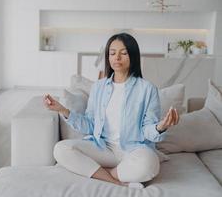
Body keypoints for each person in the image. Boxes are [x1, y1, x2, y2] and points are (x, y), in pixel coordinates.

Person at [43, 33, 179, 189]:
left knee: (149, 164)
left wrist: (161, 126)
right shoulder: (98, 87)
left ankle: (101, 173)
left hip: (133, 150)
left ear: (133, 55)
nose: (117, 58)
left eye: (123, 53)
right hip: (103, 148)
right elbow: (90, 125)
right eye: (112, 53)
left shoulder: (147, 89)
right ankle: (116, 181)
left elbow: (148, 130)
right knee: (61, 149)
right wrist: (62, 110)